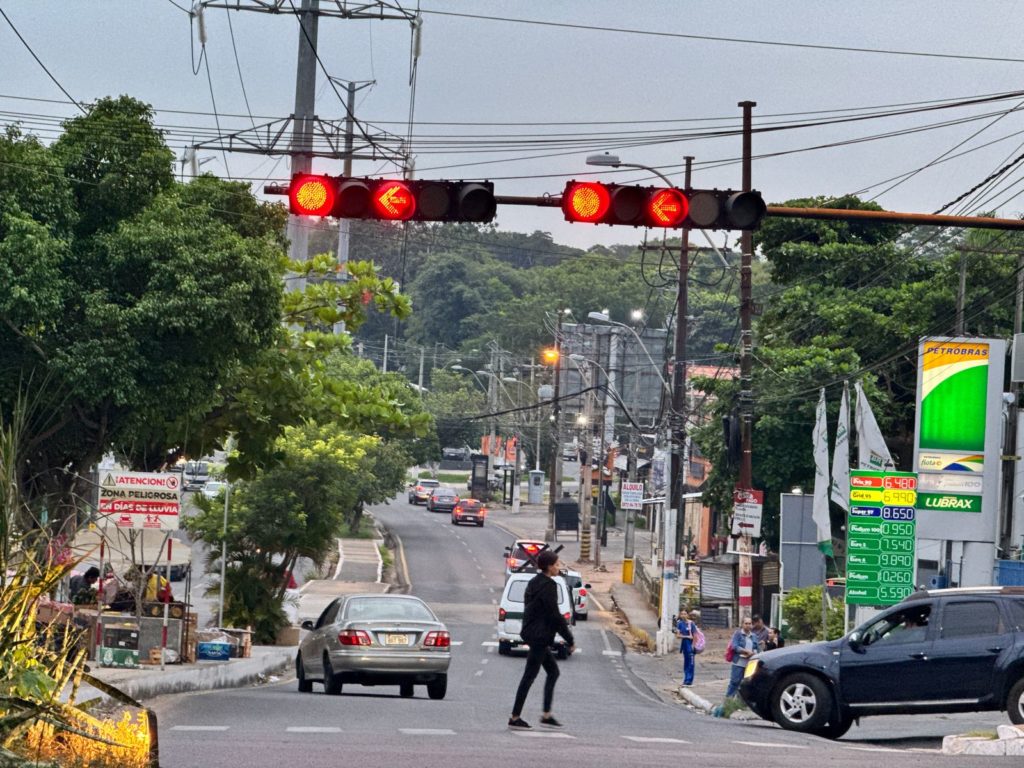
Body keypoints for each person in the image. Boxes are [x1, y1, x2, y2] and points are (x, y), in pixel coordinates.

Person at [509, 549, 575, 730]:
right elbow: (555, 615)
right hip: (539, 637)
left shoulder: (533, 582)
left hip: (534, 634)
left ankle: (546, 714)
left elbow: (533, 610)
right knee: (529, 677)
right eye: (556, 564)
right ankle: (515, 717)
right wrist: (570, 639)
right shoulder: (549, 586)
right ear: (548, 566)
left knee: (553, 672)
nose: (558, 567)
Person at [726, 616, 759, 698]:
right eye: (746, 623)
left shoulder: (754, 636)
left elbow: (757, 648)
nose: (748, 625)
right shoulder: (738, 634)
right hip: (739, 662)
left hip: (750, 663)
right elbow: (734, 646)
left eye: (750, 623)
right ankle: (728, 699)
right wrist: (745, 651)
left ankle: (741, 701)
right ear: (742, 624)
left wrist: (753, 653)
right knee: (735, 681)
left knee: (746, 683)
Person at [676, 610, 696, 687]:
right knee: (686, 663)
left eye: (685, 614)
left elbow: (695, 635)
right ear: (680, 615)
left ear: (687, 615)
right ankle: (686, 679)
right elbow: (678, 635)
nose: (683, 615)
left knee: (691, 663)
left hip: (690, 645)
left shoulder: (691, 624)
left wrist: (693, 645)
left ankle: (689, 680)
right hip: (684, 644)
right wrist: (686, 636)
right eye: (682, 614)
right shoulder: (680, 624)